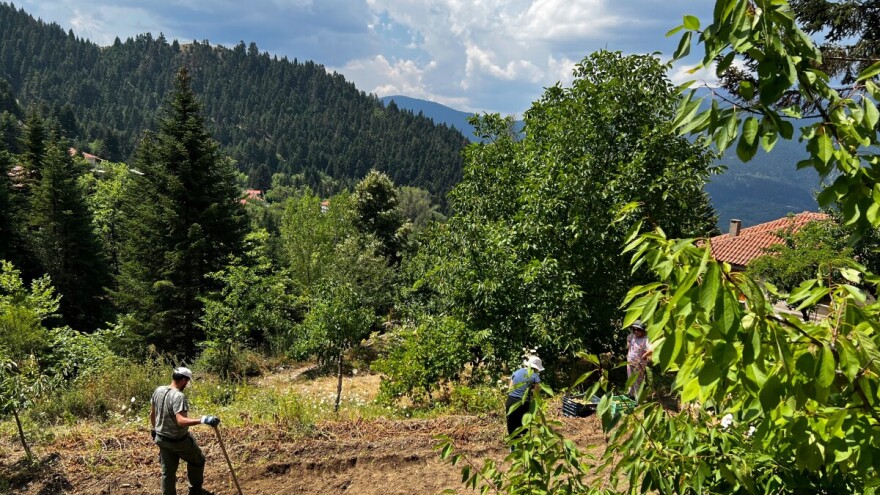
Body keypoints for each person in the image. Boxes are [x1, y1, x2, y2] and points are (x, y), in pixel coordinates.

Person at [150, 367, 221, 495]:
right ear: (183, 380)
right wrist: (203, 419)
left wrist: (154, 429)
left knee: (168, 472)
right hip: (178, 441)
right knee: (198, 460)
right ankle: (195, 491)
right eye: (187, 381)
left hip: (161, 439)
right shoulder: (178, 396)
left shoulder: (158, 390)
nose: (187, 384)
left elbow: (152, 414)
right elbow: (181, 421)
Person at [505, 355, 544, 446]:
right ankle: (523, 449)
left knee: (512, 427)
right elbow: (536, 394)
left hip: (510, 401)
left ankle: (513, 449)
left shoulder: (517, 372)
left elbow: (510, 388)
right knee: (524, 427)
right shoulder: (535, 376)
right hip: (524, 404)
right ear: (536, 368)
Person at [626, 320, 653, 398]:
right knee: (630, 379)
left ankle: (638, 399)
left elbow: (651, 349)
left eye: (638, 330)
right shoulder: (632, 336)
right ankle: (630, 395)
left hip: (639, 364)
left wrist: (645, 355)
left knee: (638, 381)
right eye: (634, 329)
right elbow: (628, 339)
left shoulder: (646, 339)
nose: (636, 331)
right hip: (630, 362)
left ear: (643, 330)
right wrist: (628, 346)